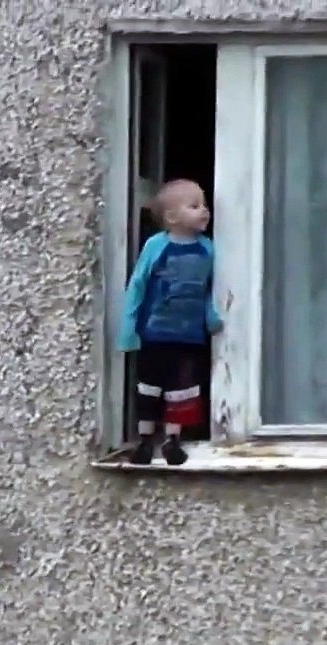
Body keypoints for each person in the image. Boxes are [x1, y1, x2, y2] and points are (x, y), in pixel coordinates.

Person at [117, 179, 222, 465]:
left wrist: (211, 316)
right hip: (155, 331)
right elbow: (138, 284)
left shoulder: (207, 248)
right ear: (173, 217)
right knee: (150, 387)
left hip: (189, 334)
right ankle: (145, 441)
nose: (205, 211)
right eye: (195, 205)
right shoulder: (156, 245)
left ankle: (173, 441)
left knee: (182, 389)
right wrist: (128, 328)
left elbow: (211, 287)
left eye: (205, 205)